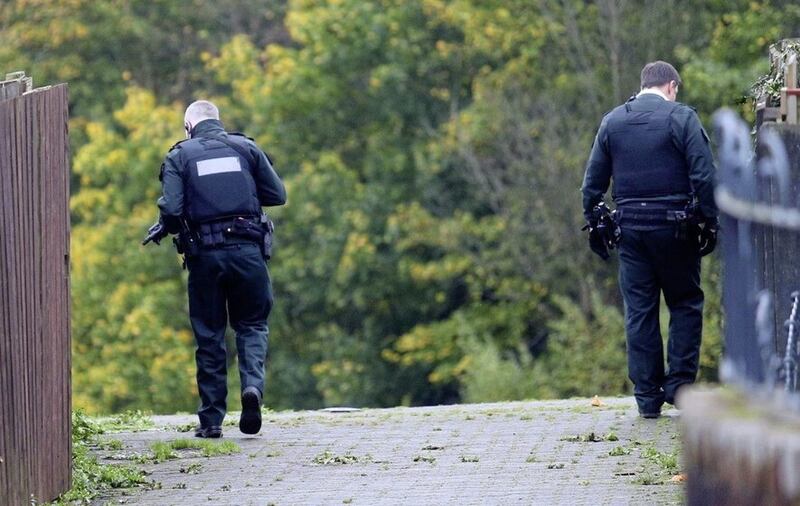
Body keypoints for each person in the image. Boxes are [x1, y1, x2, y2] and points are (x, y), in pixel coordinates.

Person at [581, 61, 718, 419]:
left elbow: (591, 184)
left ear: (643, 85)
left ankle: (647, 396)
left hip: (631, 233)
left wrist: (593, 220)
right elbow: (704, 176)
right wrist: (711, 220)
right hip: (676, 231)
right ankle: (680, 387)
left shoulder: (613, 121)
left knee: (639, 312)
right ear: (671, 86)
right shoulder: (682, 118)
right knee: (686, 303)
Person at [145, 100, 286, 437]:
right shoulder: (246, 149)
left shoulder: (179, 156)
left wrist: (165, 225)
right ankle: (252, 389)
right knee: (251, 325)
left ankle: (211, 422)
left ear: (188, 127)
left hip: (205, 259)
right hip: (248, 254)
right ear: (218, 121)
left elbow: (173, 209)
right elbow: (276, 195)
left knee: (210, 335)